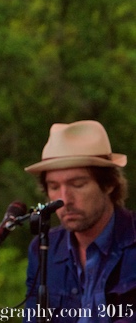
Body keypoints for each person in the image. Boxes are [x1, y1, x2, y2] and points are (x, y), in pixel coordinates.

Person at [24, 120, 136, 322]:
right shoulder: (42, 251)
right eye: (54, 187)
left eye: (78, 184)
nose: (64, 200)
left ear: (109, 183)